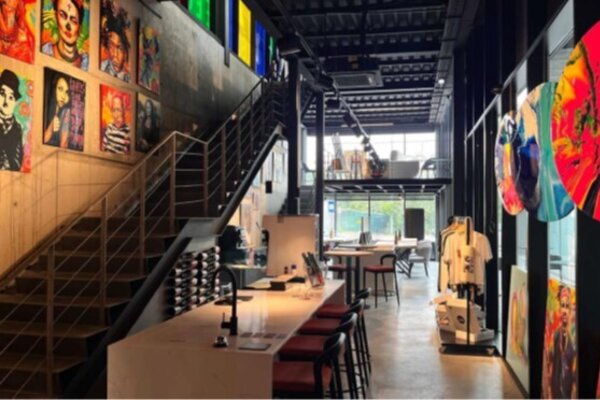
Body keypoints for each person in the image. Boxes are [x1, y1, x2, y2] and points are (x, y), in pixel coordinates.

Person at [546, 285, 576, 399]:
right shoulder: (555, 336)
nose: (564, 311)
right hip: (555, 391)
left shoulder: (573, 340)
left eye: (567, 306)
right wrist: (549, 393)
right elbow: (550, 366)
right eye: (562, 306)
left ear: (570, 310)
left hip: (567, 393)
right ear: (559, 310)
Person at [41, 0, 88, 70]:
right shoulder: (45, 52)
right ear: (56, 17)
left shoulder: (86, 64)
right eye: (63, 15)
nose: (68, 26)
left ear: (79, 28)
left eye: (74, 21)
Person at [100, 1, 131, 82]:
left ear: (125, 51)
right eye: (111, 46)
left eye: (119, 48)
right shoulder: (102, 67)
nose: (114, 55)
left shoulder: (128, 79)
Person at [0, 69, 23, 171]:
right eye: (2, 94)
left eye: (10, 97)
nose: (6, 101)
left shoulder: (17, 129)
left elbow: (17, 162)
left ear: (15, 101)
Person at [43, 73, 72, 149]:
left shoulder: (66, 111)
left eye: (66, 92)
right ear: (54, 89)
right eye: (60, 89)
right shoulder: (46, 106)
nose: (63, 96)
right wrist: (51, 127)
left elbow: (63, 144)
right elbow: (40, 140)